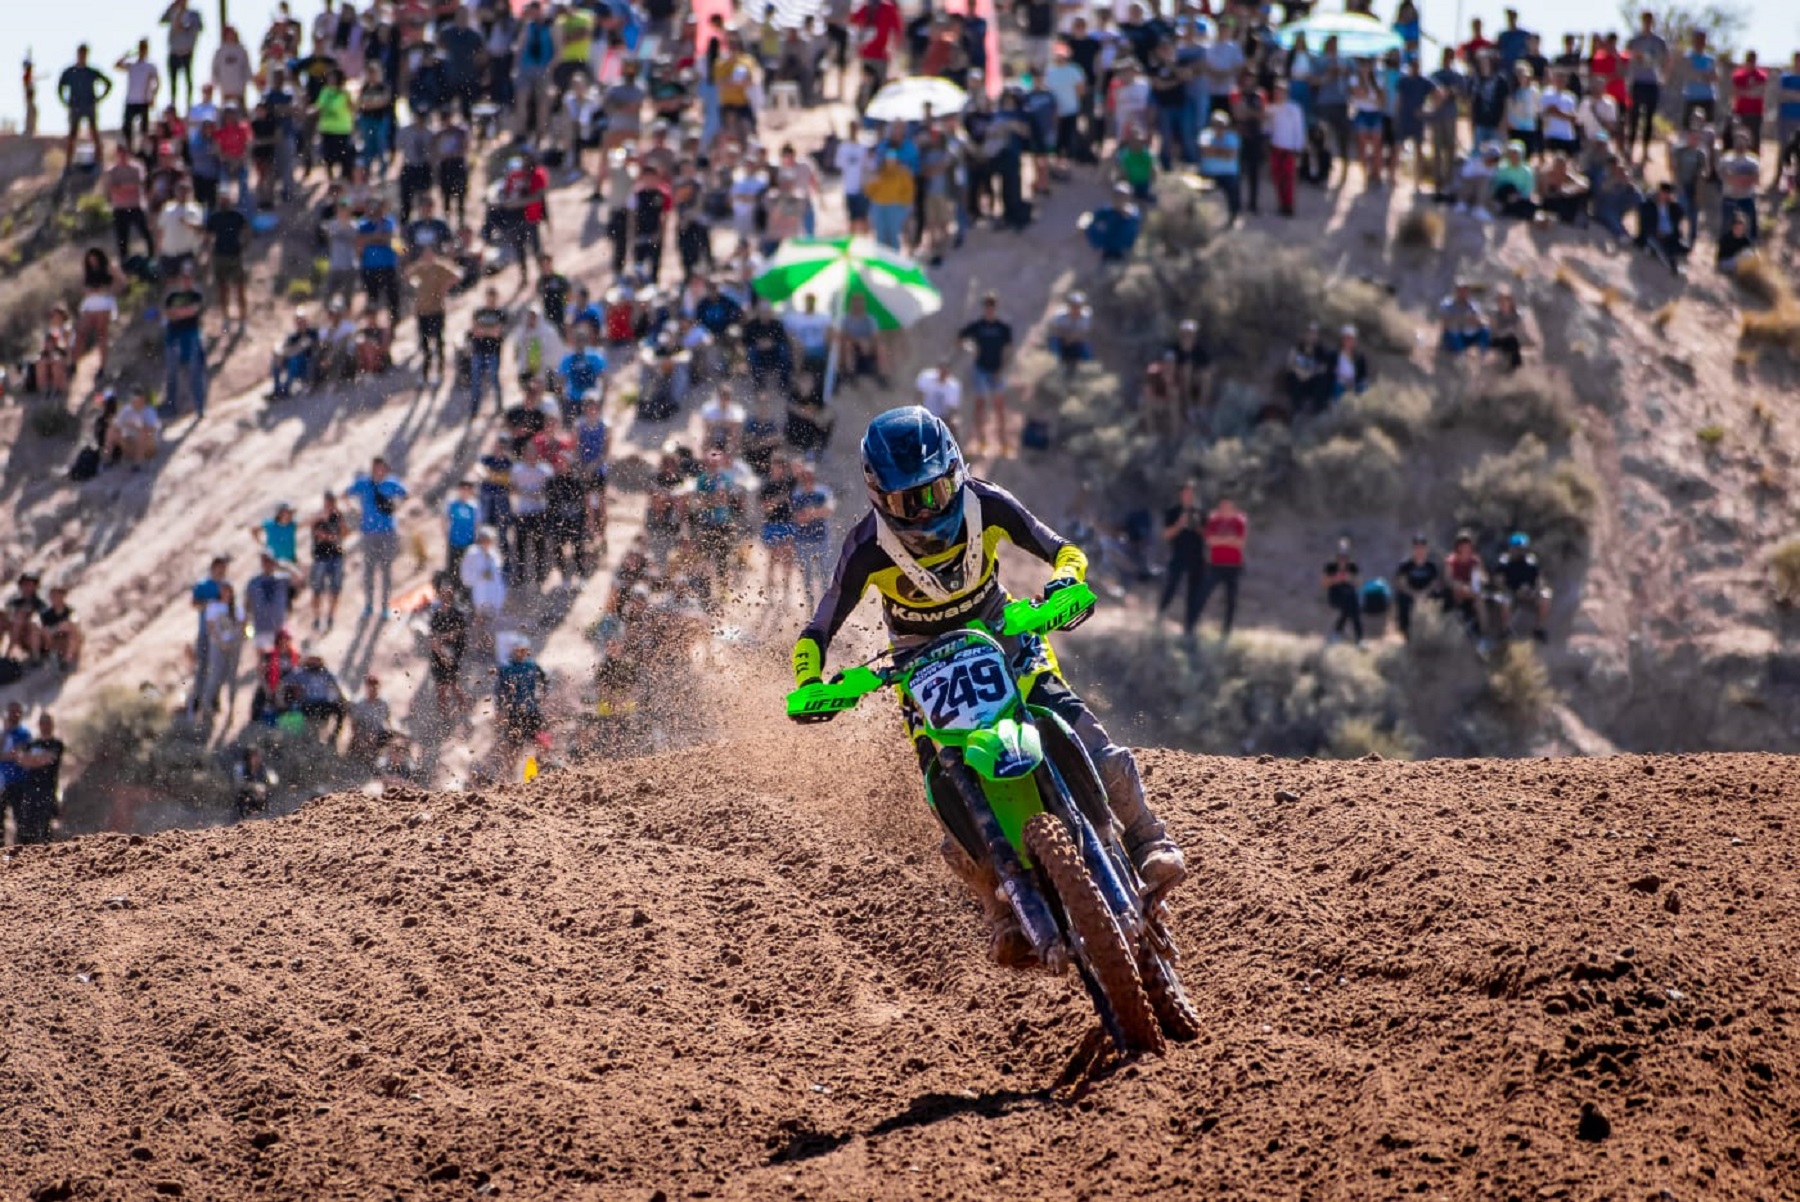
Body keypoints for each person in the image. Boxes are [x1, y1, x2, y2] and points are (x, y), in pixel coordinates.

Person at [789, 407, 1186, 966]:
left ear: (957, 469)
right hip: (922, 669)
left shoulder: (987, 503)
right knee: (945, 785)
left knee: (1086, 737)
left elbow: (1062, 550)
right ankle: (999, 907)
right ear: (880, 497)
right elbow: (818, 628)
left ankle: (1147, 838)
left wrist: (1066, 584)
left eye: (939, 489)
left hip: (1005, 637)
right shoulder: (867, 549)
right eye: (910, 501)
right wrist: (810, 682)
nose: (929, 509)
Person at [345, 457, 407, 620]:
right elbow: (346, 494)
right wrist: (354, 511)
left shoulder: (391, 483)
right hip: (369, 533)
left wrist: (396, 509)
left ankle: (385, 606)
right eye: (376, 468)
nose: (379, 471)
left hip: (387, 532)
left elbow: (406, 495)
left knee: (386, 570)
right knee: (369, 570)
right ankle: (369, 606)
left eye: (381, 468)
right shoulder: (363, 483)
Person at [957, 293, 1012, 452]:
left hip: (996, 370)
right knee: (980, 405)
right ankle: (981, 441)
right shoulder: (978, 326)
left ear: (995, 308)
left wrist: (1001, 369)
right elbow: (961, 337)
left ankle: (1003, 442)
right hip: (981, 369)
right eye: (987, 307)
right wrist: (970, 348)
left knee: (999, 406)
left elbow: (1008, 350)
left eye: (992, 307)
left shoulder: (1002, 328)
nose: (989, 310)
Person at [1156, 482, 1208, 635]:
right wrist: (1180, 524)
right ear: (1181, 495)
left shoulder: (1201, 512)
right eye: (1185, 493)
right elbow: (1166, 535)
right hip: (1178, 555)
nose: (1188, 496)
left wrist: (1198, 526)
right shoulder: (1173, 511)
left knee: (1194, 593)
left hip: (1197, 557)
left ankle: (1189, 627)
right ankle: (1159, 618)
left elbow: (1207, 536)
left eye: (1191, 493)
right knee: (1170, 587)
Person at [161, 264, 209, 419]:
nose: (186, 281)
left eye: (188, 277)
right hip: (173, 337)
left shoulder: (196, 295)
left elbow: (193, 311)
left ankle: (200, 407)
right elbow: (168, 314)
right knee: (171, 373)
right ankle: (171, 406)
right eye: (183, 277)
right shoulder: (172, 296)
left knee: (196, 372)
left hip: (191, 336)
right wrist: (181, 313)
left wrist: (179, 313)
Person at [1194, 497, 1246, 638]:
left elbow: (1240, 543)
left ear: (1232, 506)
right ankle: (1192, 626)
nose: (1225, 508)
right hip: (1215, 565)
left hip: (1234, 566)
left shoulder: (1239, 520)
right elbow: (1210, 541)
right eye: (1222, 505)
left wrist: (1220, 540)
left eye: (1228, 505)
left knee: (1231, 600)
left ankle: (1226, 631)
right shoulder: (1214, 519)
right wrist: (1229, 539)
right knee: (1202, 595)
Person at [11, 715, 65, 844]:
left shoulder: (56, 744)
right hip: (30, 789)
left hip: (48, 790)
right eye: (43, 723)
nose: (45, 726)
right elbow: (19, 759)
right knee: (25, 826)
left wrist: (31, 760)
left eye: (47, 723)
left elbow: (47, 759)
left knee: (45, 826)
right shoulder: (32, 744)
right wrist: (34, 759)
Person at [58, 44, 112, 168]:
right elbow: (60, 86)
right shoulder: (70, 72)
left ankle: (99, 159)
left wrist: (99, 98)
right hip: (75, 106)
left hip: (89, 105)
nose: (82, 56)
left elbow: (108, 83)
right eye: (80, 53)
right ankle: (68, 162)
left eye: (84, 54)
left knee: (93, 131)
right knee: (73, 134)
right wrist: (65, 102)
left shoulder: (91, 72)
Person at [1493, 532, 1551, 641]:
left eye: (1521, 548)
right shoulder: (1504, 561)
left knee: (1546, 595)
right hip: (1511, 592)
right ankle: (1505, 631)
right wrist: (1511, 590)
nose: (1519, 551)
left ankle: (1538, 628)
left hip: (1529, 593)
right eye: (1516, 548)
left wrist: (1535, 591)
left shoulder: (1531, 561)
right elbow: (1498, 581)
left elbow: (1539, 579)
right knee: (1504, 600)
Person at [307, 491, 347, 632]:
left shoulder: (338, 516)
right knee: (317, 590)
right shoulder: (318, 518)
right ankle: (317, 618)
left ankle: (330, 616)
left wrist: (339, 519)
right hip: (321, 557)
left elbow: (344, 534)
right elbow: (316, 532)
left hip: (335, 556)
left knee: (335, 589)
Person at [1393, 535, 1442, 639]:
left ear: (1426, 549)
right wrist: (1415, 594)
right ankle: (1405, 630)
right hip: (1411, 593)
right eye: (1417, 548)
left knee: (1443, 596)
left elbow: (1435, 583)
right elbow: (1401, 584)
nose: (1420, 551)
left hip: (1427, 593)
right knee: (1402, 598)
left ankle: (1440, 628)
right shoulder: (1405, 565)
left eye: (1422, 548)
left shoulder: (1431, 566)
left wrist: (1425, 593)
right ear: (1413, 549)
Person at [1322, 538, 1363, 645]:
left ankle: (1359, 639)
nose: (1342, 559)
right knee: (1348, 605)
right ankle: (1337, 633)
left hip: (1349, 594)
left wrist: (1349, 579)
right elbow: (1324, 584)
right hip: (1335, 595)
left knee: (1354, 608)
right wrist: (1336, 579)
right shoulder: (1331, 567)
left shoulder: (1352, 566)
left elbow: (1359, 583)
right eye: (1341, 555)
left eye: (1345, 556)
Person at [1439, 281, 1491, 354]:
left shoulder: (1473, 305)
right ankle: (1460, 356)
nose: (1462, 293)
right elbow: (1445, 321)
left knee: (1485, 330)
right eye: (1460, 290)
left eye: (1465, 290)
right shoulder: (1448, 305)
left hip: (1468, 333)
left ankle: (1483, 352)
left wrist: (1476, 320)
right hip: (1453, 334)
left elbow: (1480, 320)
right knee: (1454, 331)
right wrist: (1459, 320)